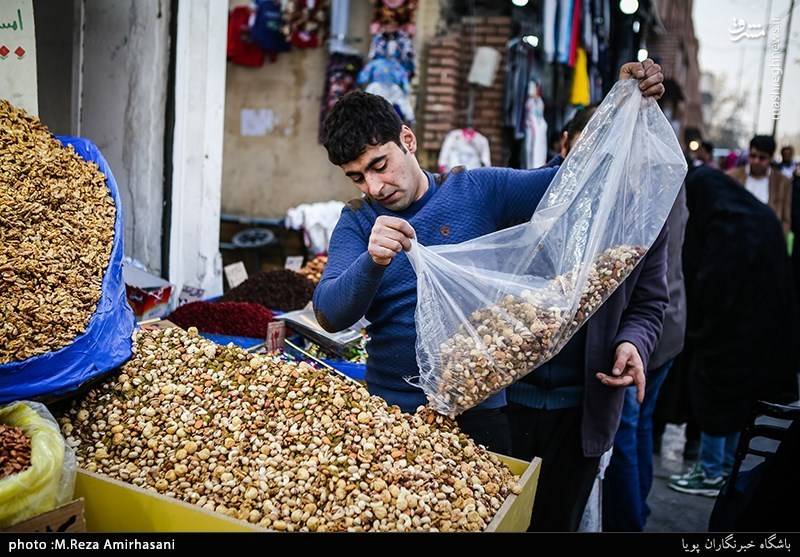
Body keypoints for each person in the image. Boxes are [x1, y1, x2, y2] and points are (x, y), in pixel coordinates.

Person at [313, 60, 666, 468]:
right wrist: (370, 262)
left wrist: (619, 109)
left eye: (379, 165)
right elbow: (330, 313)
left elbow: (571, 181)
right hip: (393, 412)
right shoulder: (358, 219)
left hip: (480, 413)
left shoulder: (476, 190)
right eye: (357, 177)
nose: (374, 186)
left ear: (407, 140)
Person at [667, 166, 798, 497]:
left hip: (727, 333)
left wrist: (698, 329)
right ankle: (726, 468)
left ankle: (711, 470)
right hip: (759, 331)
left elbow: (712, 284)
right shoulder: (754, 217)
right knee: (738, 399)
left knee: (715, 395)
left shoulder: (728, 227)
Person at [727, 135, 793, 235]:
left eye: (762, 158)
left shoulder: (782, 182)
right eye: (753, 156)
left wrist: (779, 241)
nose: (756, 161)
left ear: (771, 158)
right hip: (737, 238)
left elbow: (785, 218)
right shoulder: (732, 176)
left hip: (767, 240)